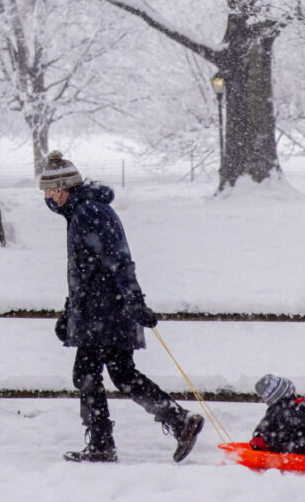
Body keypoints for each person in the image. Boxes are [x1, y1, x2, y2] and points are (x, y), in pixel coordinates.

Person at [40, 151, 203, 464]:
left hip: (104, 311)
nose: (47, 198)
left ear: (62, 189)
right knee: (122, 374)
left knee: (87, 374)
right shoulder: (83, 212)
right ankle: (179, 422)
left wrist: (134, 300)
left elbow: (118, 259)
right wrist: (68, 312)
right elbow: (85, 269)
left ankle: (103, 444)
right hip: (101, 309)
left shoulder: (89, 212)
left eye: (49, 191)